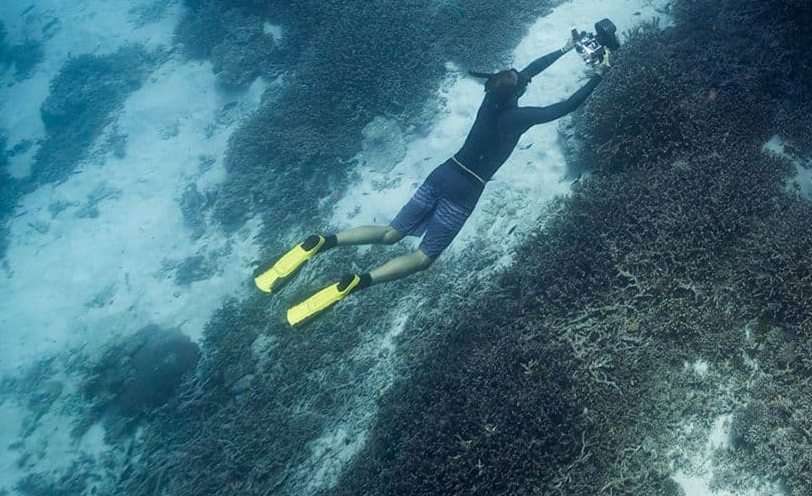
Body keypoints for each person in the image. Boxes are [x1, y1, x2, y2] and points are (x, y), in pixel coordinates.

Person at [256, 20, 620, 326]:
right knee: (423, 258)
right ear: (516, 91)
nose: (522, 77)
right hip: (465, 190)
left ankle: (325, 242)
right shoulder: (516, 118)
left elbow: (524, 74)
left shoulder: (492, 98)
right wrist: (599, 76)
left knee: (389, 233)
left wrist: (563, 49)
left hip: (443, 172)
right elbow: (566, 106)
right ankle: (359, 282)